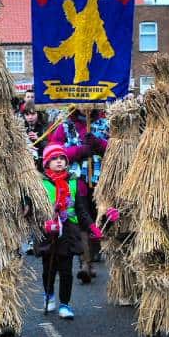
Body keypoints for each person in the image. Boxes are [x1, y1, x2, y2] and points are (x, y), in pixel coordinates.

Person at [35, 144, 107, 320]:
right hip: (48, 231)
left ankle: (65, 304)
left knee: (66, 270)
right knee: (48, 270)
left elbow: (81, 210)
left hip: (68, 230)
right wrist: (45, 220)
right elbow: (36, 209)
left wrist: (93, 227)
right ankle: (49, 294)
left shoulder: (73, 181)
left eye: (62, 159)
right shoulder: (41, 183)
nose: (59, 162)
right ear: (46, 163)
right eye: (54, 159)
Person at [50, 108, 108, 283]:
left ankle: (94, 256)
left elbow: (116, 150)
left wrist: (98, 144)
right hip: (77, 180)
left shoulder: (104, 124)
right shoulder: (66, 126)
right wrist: (80, 150)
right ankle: (85, 262)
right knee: (82, 220)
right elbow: (54, 152)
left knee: (98, 218)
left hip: (101, 180)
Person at [21, 100, 47, 172]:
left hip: (44, 163)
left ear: (38, 114)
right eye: (27, 115)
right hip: (27, 165)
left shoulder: (45, 126)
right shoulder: (20, 127)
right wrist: (26, 144)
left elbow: (51, 144)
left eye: (33, 114)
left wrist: (39, 139)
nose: (30, 117)